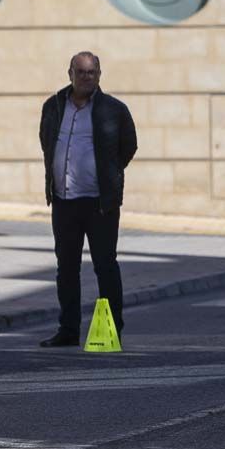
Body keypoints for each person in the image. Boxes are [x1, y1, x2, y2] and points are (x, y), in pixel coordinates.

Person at [37, 52, 137, 348]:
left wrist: (108, 175)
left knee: (105, 265)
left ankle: (112, 330)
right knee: (65, 267)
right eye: (81, 72)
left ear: (99, 75)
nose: (86, 77)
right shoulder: (53, 106)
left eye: (92, 72)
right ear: (69, 73)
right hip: (64, 200)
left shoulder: (114, 109)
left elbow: (128, 147)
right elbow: (46, 141)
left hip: (99, 203)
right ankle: (68, 330)